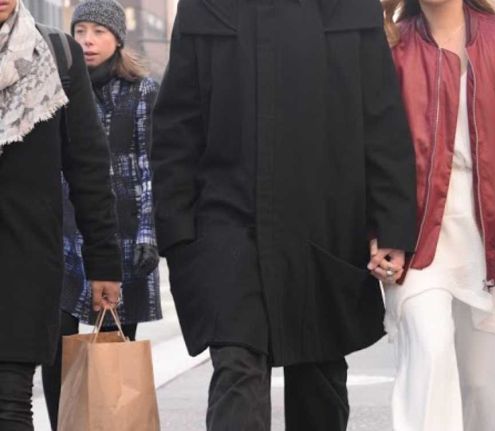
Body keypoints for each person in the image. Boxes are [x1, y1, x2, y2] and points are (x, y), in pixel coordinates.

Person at [151, 0, 416, 429]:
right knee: (237, 367)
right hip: (226, 223)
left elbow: (381, 121)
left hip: (326, 223)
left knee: (318, 379)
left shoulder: (351, 8)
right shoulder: (206, 6)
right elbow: (176, 122)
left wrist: (390, 225)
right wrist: (178, 230)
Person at [381, 0, 495, 429]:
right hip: (416, 232)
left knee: (483, 383)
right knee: (429, 350)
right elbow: (368, 149)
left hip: (493, 230)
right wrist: (378, 230)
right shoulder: (392, 48)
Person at [0, 0, 123, 429]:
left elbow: (88, 166)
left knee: (10, 400)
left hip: (24, 259)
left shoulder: (56, 54)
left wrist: (104, 263)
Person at [40, 1, 162, 428]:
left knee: (115, 344)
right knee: (55, 345)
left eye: (98, 32)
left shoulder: (143, 90)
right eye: (81, 31)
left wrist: (149, 233)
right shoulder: (55, 85)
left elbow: (150, 167)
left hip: (123, 234)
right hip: (63, 229)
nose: (87, 41)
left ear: (117, 39)